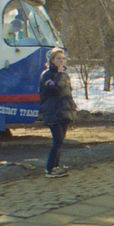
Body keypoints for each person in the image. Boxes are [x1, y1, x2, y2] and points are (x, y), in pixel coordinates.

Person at [39, 47, 76, 177]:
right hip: (53, 112)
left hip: (63, 112)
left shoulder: (65, 75)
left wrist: (72, 107)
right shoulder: (47, 75)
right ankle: (50, 169)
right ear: (52, 60)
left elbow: (67, 93)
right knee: (57, 141)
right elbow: (54, 89)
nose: (62, 61)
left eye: (63, 58)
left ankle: (56, 166)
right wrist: (59, 74)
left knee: (61, 141)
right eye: (58, 58)